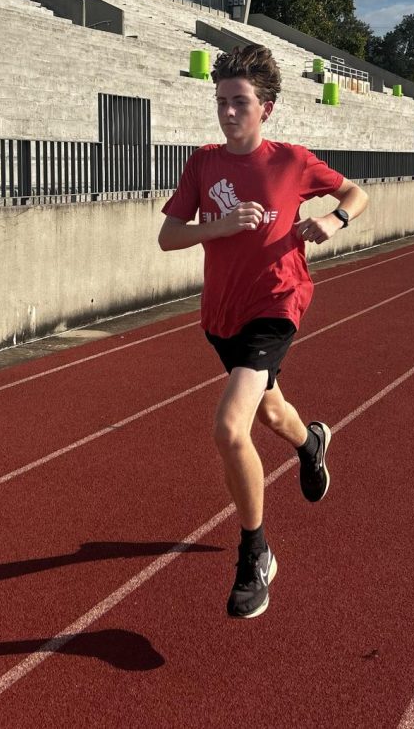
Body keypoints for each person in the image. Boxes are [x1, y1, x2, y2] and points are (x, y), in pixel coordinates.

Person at [157, 44, 369, 619]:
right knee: (273, 413)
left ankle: (256, 553)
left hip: (276, 306)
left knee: (231, 427)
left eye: (240, 102)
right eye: (222, 101)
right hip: (221, 316)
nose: (229, 112)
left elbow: (357, 192)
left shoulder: (292, 162)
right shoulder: (202, 164)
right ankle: (311, 442)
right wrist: (218, 226)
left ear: (265, 109)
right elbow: (168, 237)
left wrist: (331, 218)